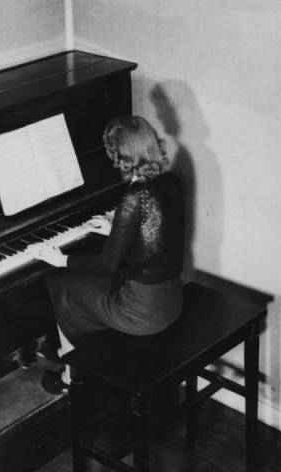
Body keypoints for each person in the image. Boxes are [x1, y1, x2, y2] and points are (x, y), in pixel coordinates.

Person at [26, 115, 185, 392]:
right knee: (84, 282)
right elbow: (155, 236)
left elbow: (109, 264)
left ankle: (70, 376)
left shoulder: (134, 196)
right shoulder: (169, 182)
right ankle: (67, 349)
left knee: (59, 282)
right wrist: (115, 229)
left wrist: (60, 259)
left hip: (141, 312)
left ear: (117, 154)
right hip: (170, 298)